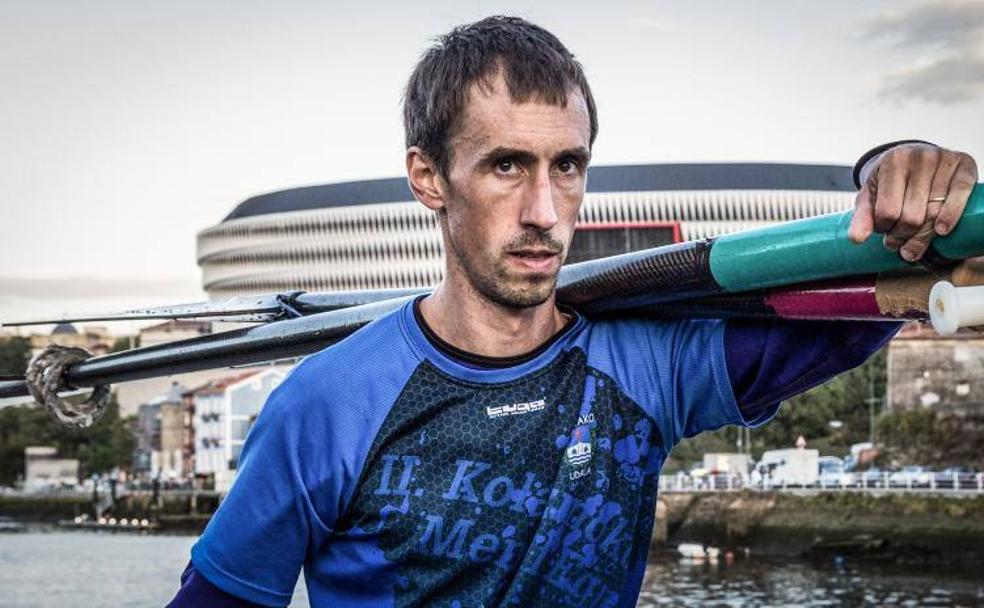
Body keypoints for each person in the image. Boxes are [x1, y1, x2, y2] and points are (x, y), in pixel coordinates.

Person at [168, 15, 978, 608]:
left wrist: (888, 175)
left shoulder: (645, 365)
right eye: (506, 166)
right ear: (428, 178)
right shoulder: (327, 404)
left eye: (567, 165)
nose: (545, 211)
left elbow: (852, 312)